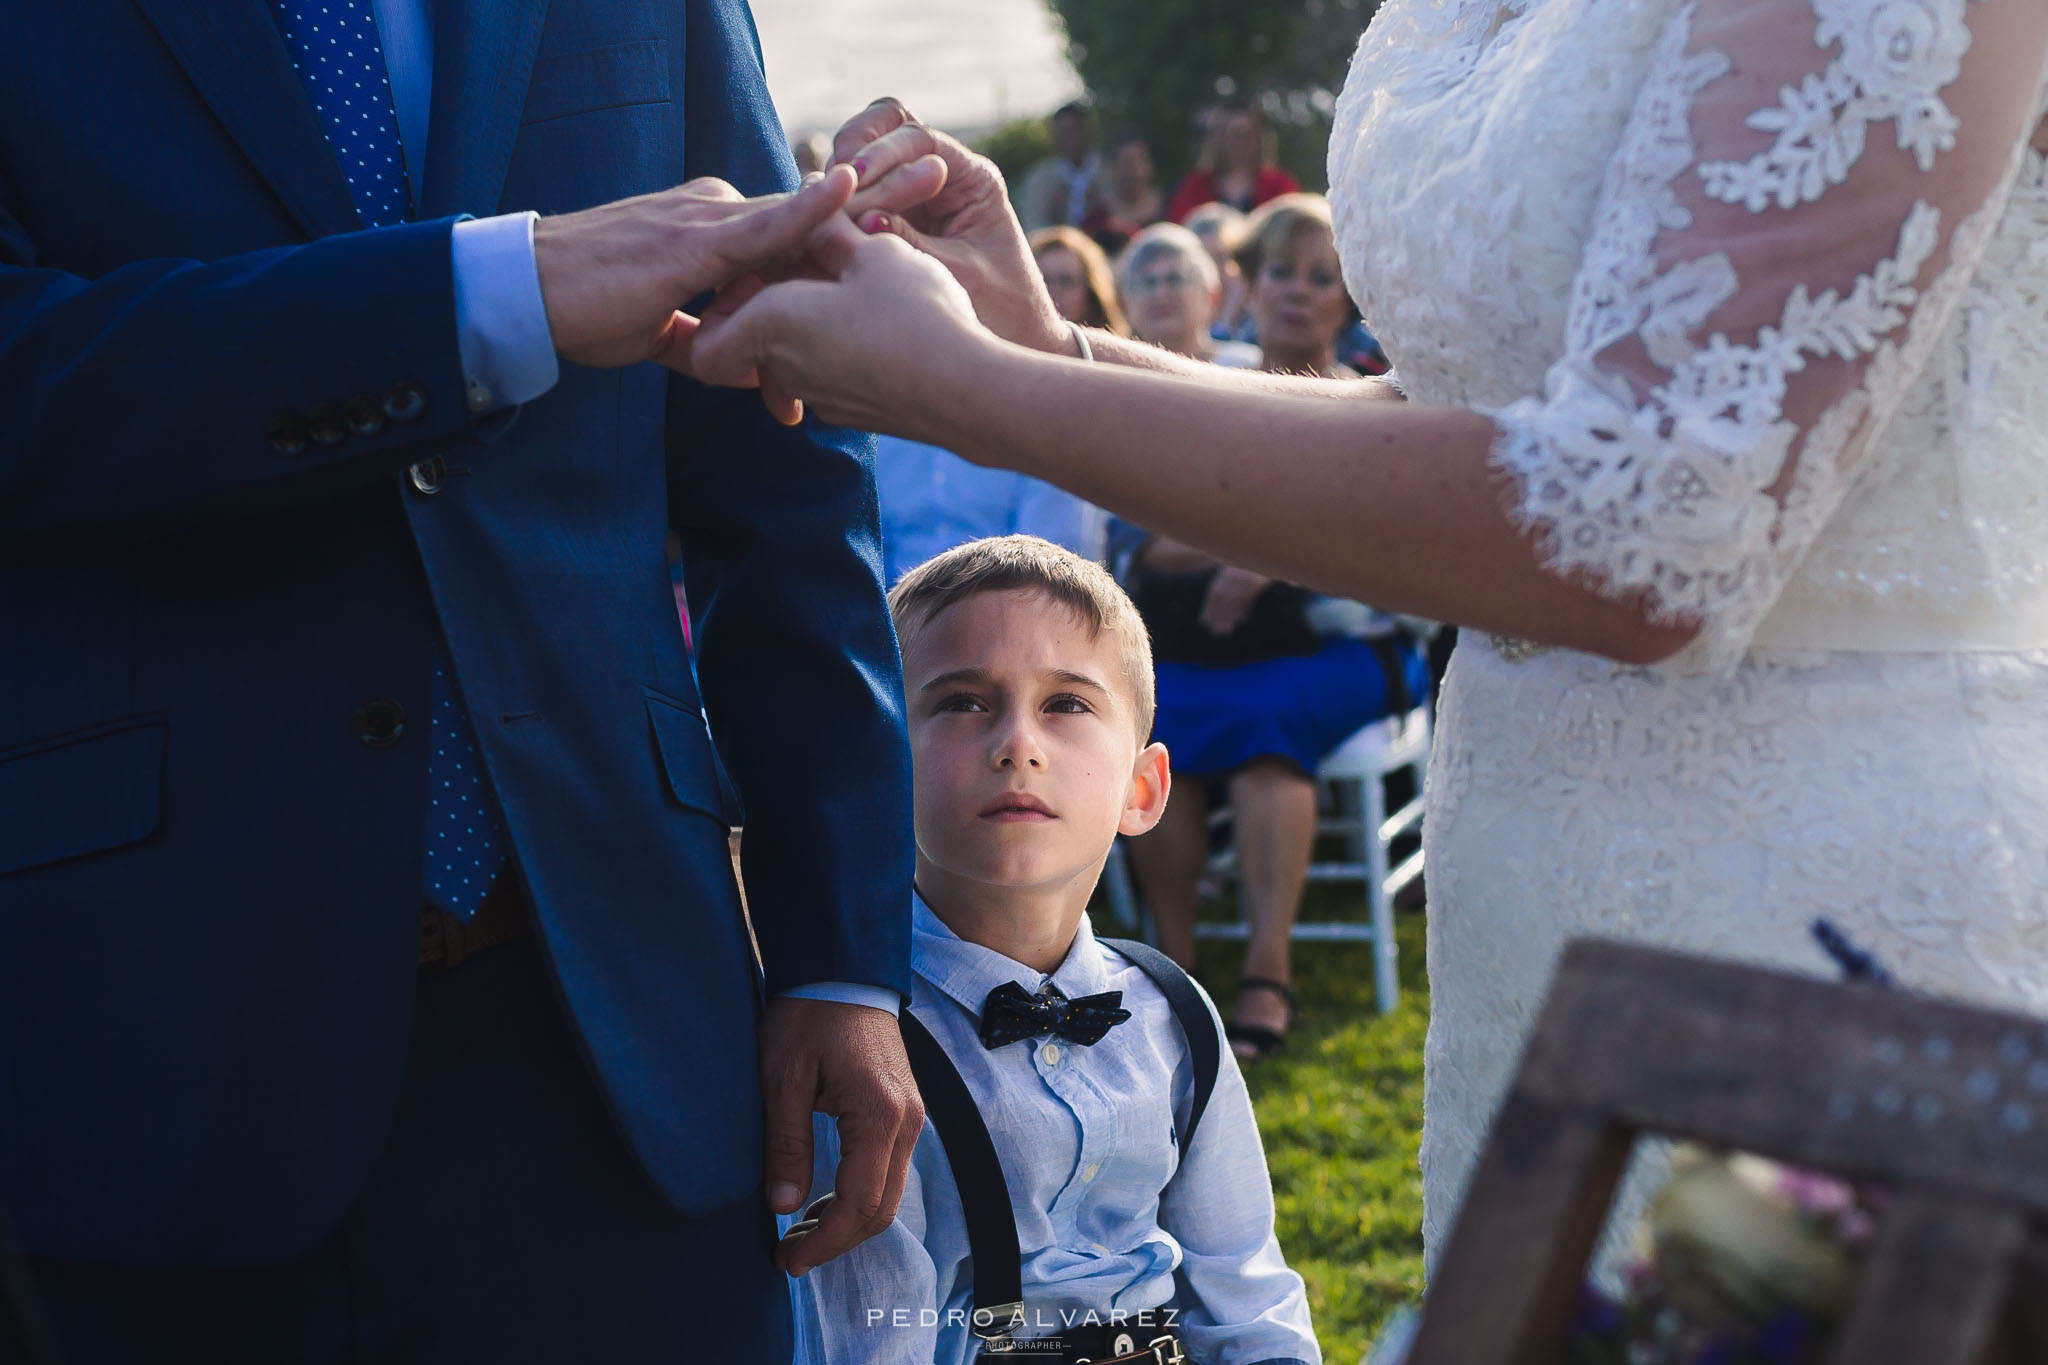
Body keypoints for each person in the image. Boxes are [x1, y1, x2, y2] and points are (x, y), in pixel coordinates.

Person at [683, 0, 2048, 1277]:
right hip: (1543, 888)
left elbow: (1651, 526)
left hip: (1842, 900)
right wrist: (1048, 351)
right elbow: (1449, 419)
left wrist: (972, 391)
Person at [0, 5, 924, 1362]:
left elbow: (778, 467)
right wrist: (480, 298)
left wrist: (842, 956)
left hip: (627, 1029)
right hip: (156, 1050)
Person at [784, 535, 1320, 1365]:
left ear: (1142, 790)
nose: (1017, 744)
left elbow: (1245, 1291)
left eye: (1066, 704)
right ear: (880, 770)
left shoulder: (1174, 1013)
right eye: (963, 700)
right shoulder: (858, 1041)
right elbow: (869, 1338)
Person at [873, 436, 1105, 584]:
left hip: (1010, 621)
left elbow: (1046, 570)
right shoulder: (874, 432)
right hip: (892, 621)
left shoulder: (1040, 430)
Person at [1232, 195, 1362, 379]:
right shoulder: (1214, 398)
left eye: (1321, 279)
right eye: (1281, 272)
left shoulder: (1375, 404)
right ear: (1249, 287)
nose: (1299, 291)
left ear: (1348, 300)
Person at [1116, 222, 1258, 367]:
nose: (1160, 293)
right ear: (1126, 302)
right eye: (1147, 283)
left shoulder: (1247, 366)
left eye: (1175, 280)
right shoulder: (1113, 371)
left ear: (1212, 296)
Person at [1166, 103, 1300, 225]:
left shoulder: (1279, 185)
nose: (1240, 143)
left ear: (1258, 139)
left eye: (1246, 135)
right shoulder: (1195, 186)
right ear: (1220, 139)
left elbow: (1293, 227)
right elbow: (1180, 231)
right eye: (1233, 135)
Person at [1031, 225, 1130, 336]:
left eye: (1066, 281)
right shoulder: (1010, 347)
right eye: (1042, 281)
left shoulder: (1113, 351)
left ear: (1091, 291)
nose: (1052, 291)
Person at [1018, 101, 1100, 234]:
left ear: (1086, 130)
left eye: (1075, 130)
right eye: (1063, 132)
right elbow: (1033, 226)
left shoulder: (1108, 169)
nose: (1070, 138)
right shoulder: (1039, 179)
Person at [1183, 201, 1255, 342]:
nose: (1214, 271)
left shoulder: (1262, 328)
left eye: (1223, 258)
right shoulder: (1179, 328)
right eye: (1204, 261)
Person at [1083, 131, 1167, 236]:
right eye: (1126, 163)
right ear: (1111, 169)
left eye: (1139, 161)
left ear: (1150, 165)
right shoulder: (1096, 220)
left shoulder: (1169, 209)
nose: (1133, 171)